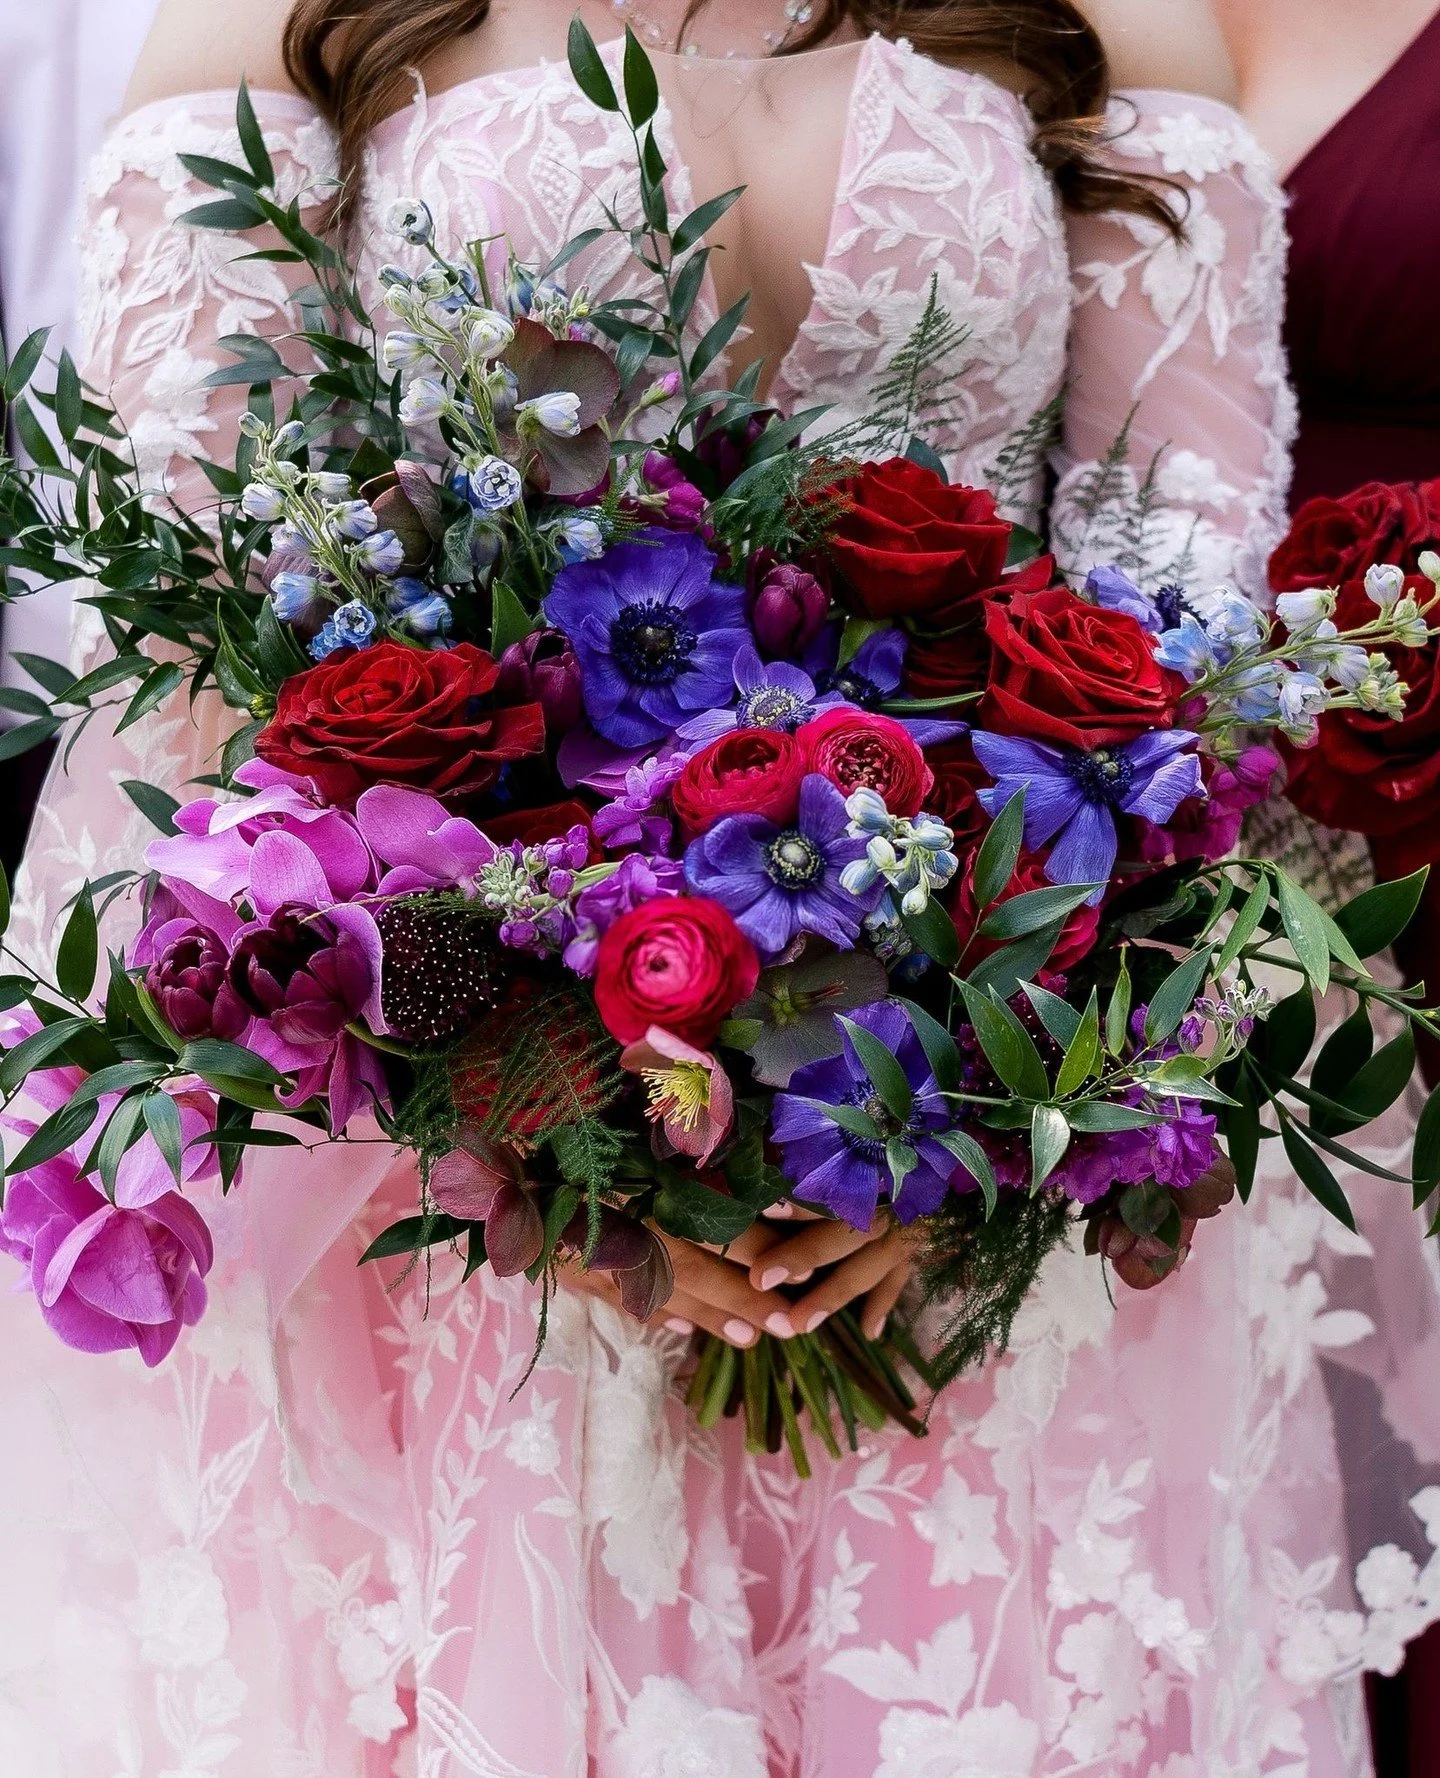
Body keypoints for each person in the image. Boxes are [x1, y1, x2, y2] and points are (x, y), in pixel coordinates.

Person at [3, 0, 1438, 1772]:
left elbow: (1176, 648)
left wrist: (972, 1110)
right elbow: (211, 619)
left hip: (955, 1187)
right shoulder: (281, 14)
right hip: (470, 1208)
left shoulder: (1115, 16)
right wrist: (535, 1115)